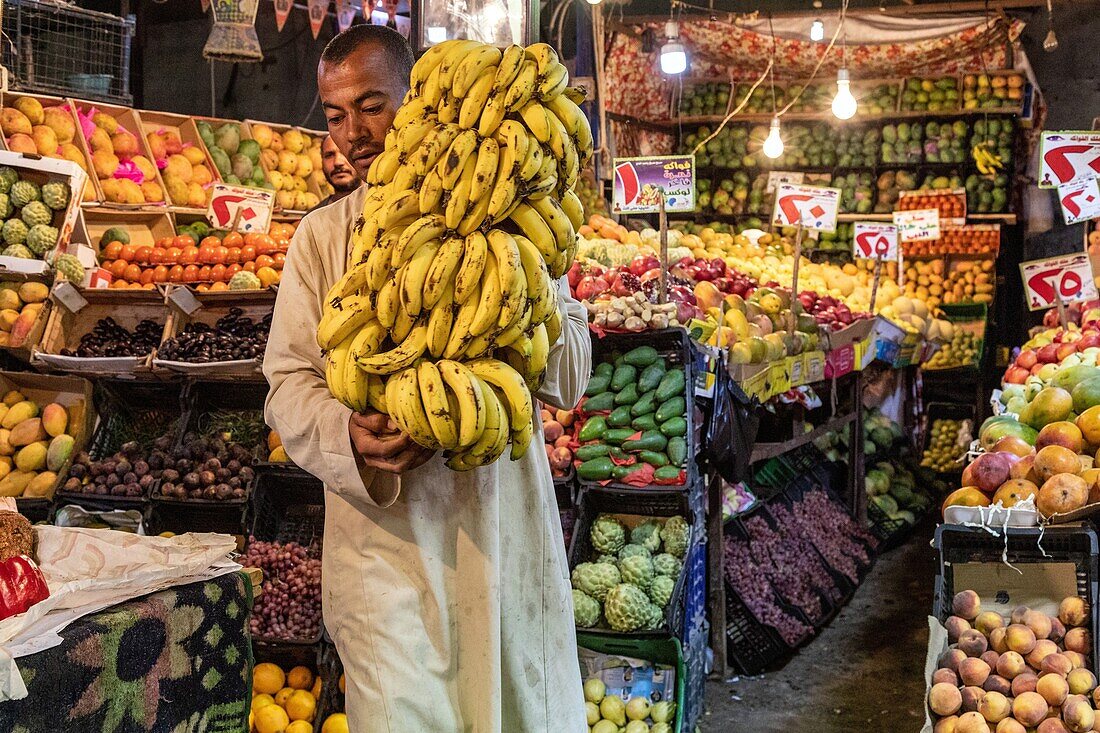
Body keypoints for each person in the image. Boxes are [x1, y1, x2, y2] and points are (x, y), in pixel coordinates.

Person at [263, 24, 590, 733]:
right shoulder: (321, 239)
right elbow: (287, 383)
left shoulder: (508, 224)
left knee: (518, 709)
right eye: (335, 114)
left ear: (418, 100)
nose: (353, 133)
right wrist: (346, 434)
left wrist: (529, 291)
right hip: (384, 560)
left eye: (372, 105)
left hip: (501, 536)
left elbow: (568, 377)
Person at [314, 134, 360, 208]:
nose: (337, 162)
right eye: (329, 155)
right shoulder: (314, 217)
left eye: (345, 152)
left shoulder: (382, 206)